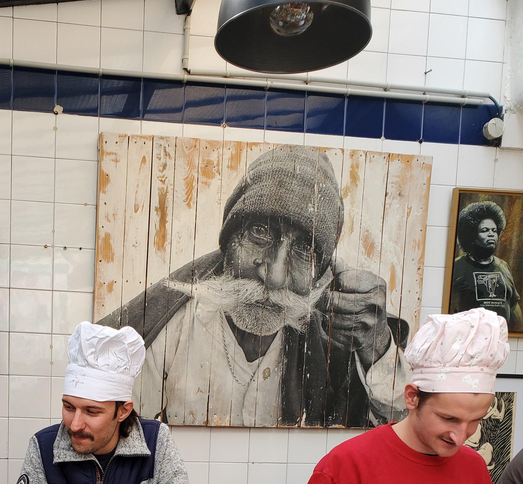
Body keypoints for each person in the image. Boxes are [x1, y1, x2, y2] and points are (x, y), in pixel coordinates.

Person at [100, 144, 409, 427]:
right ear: (228, 241)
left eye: (305, 250)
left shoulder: (338, 334)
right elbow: (118, 430)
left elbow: (402, 420)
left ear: (322, 272)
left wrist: (378, 346)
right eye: (259, 232)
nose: (273, 275)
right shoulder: (171, 327)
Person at [309, 307, 508, 484]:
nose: (460, 437)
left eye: (475, 420)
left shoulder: (474, 468)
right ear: (412, 397)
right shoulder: (346, 466)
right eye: (449, 418)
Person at [18, 321, 188, 484]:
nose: (75, 425)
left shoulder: (155, 441)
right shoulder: (44, 447)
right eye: (68, 407)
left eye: (91, 411)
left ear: (123, 411)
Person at [450, 201, 522, 330]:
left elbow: (513, 307)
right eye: (484, 230)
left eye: (494, 230)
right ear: (472, 236)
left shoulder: (503, 266)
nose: (491, 234)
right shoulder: (458, 267)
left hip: (499, 341)